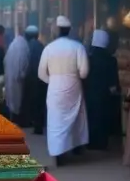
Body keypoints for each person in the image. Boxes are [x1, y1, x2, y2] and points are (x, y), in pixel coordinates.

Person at [38, 16, 89, 165]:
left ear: (56, 30)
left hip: (54, 88)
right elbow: (84, 72)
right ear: (69, 30)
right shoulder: (78, 47)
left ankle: (57, 152)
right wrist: (72, 78)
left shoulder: (48, 48)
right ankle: (76, 147)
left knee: (56, 121)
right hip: (74, 86)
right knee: (76, 119)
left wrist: (53, 81)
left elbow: (41, 73)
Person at [84, 30, 122, 150]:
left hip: (89, 92)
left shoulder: (88, 57)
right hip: (104, 94)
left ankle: (90, 143)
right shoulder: (111, 60)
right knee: (102, 117)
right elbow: (113, 81)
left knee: (90, 117)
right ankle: (101, 143)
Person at [3, 28, 30, 124]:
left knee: (11, 99)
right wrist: (23, 74)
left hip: (10, 77)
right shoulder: (24, 46)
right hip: (18, 78)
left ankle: (13, 118)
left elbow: (5, 61)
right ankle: (19, 119)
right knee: (18, 99)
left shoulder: (12, 45)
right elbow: (25, 62)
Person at [24, 25, 46, 134]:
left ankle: (36, 125)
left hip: (32, 78)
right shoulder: (41, 46)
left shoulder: (28, 46)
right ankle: (39, 125)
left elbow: (27, 64)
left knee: (33, 102)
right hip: (42, 78)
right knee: (40, 102)